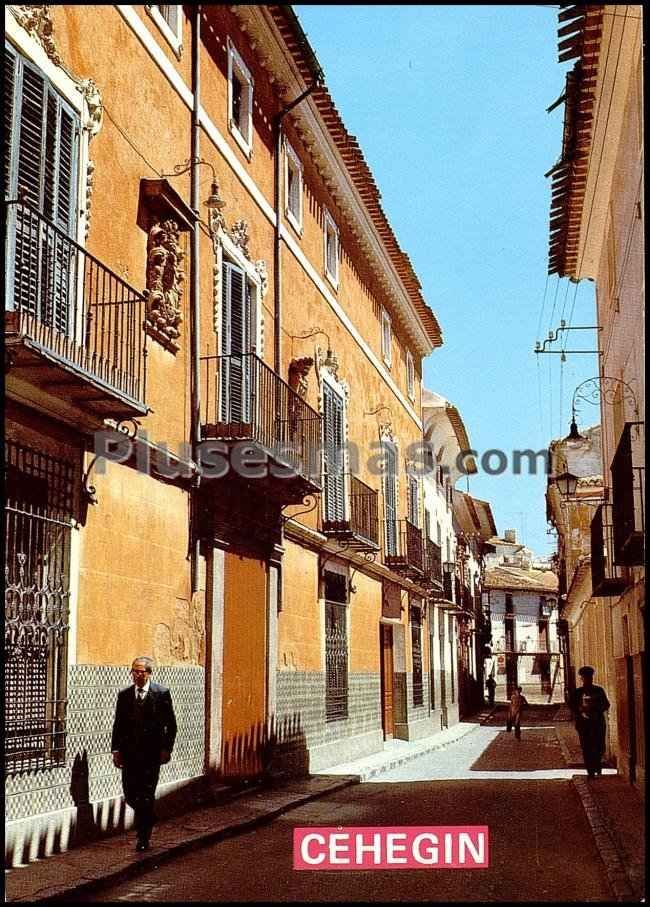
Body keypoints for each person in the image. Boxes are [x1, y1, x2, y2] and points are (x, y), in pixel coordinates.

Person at [111, 656, 177, 851]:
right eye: (134, 671)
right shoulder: (124, 695)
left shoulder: (161, 693)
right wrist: (116, 750)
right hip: (130, 755)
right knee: (130, 794)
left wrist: (166, 749)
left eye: (141, 672)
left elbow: (171, 725)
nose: (137, 675)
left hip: (151, 755)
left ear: (149, 673)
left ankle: (143, 838)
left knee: (147, 794)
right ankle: (149, 816)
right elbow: (118, 725)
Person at [569, 665, 610, 778]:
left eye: (589, 677)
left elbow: (606, 704)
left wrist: (595, 708)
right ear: (582, 678)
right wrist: (580, 709)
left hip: (597, 723)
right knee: (587, 747)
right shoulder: (577, 693)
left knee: (599, 746)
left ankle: (597, 765)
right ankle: (590, 770)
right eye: (585, 677)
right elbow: (571, 705)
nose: (587, 679)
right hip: (584, 724)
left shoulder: (599, 690)